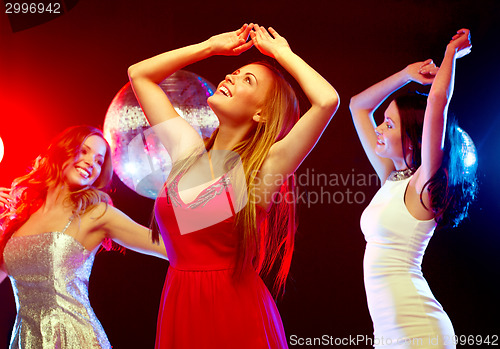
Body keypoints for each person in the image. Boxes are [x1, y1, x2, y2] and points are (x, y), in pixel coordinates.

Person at [128, 23, 339, 348]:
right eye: (235, 72)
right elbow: (139, 74)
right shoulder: (187, 147)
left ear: (261, 114)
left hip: (236, 314)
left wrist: (282, 54)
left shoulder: (265, 168)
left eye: (247, 80)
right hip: (179, 307)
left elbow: (327, 101)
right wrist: (210, 46)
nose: (230, 77)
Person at [349, 29, 477, 348]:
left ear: (415, 140)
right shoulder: (392, 177)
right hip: (390, 332)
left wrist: (450, 56)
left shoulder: (423, 183)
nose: (378, 130)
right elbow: (357, 106)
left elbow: (437, 102)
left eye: (389, 125)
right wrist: (406, 74)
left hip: (416, 329)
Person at [0, 125, 168, 349]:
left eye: (99, 161)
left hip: (73, 338)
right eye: (84, 151)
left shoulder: (96, 213)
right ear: (61, 151)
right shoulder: (20, 218)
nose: (91, 162)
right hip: (24, 340)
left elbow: (168, 247)